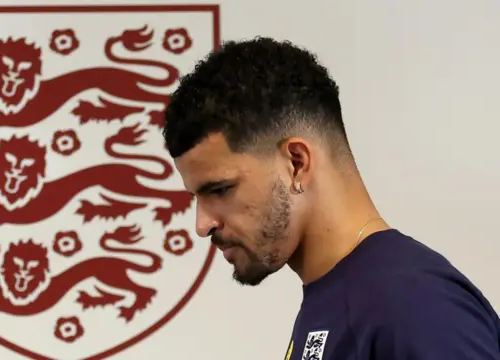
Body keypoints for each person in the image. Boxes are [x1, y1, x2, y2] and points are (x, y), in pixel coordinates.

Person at [162, 37, 500, 359]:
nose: (202, 224)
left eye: (219, 190)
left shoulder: (412, 305)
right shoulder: (344, 300)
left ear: (297, 163)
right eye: (197, 196)